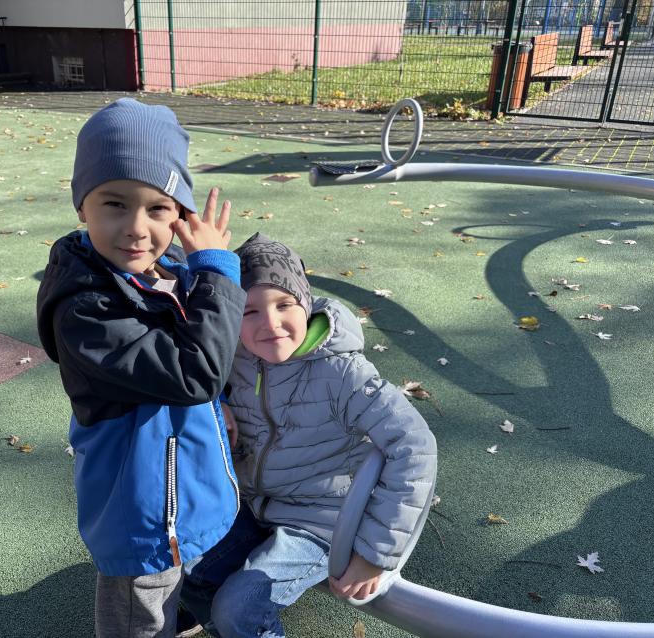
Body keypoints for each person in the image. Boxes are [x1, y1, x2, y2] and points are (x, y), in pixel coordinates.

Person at [36, 98, 246, 638]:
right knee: (140, 611)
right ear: (82, 207)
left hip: (177, 489)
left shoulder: (160, 270)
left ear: (182, 215)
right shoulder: (85, 309)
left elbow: (203, 346)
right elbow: (195, 371)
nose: (136, 228)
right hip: (140, 511)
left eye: (158, 209)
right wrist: (217, 271)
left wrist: (221, 402)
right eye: (114, 203)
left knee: (177, 581)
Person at [180, 232, 437, 637]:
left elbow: (414, 446)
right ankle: (220, 624)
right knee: (185, 563)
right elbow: (194, 378)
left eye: (284, 305)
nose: (271, 324)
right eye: (249, 311)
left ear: (306, 303)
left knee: (238, 607)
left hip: (320, 520)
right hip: (252, 504)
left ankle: (235, 623)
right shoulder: (237, 357)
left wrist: (375, 554)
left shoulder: (341, 372)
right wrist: (219, 401)